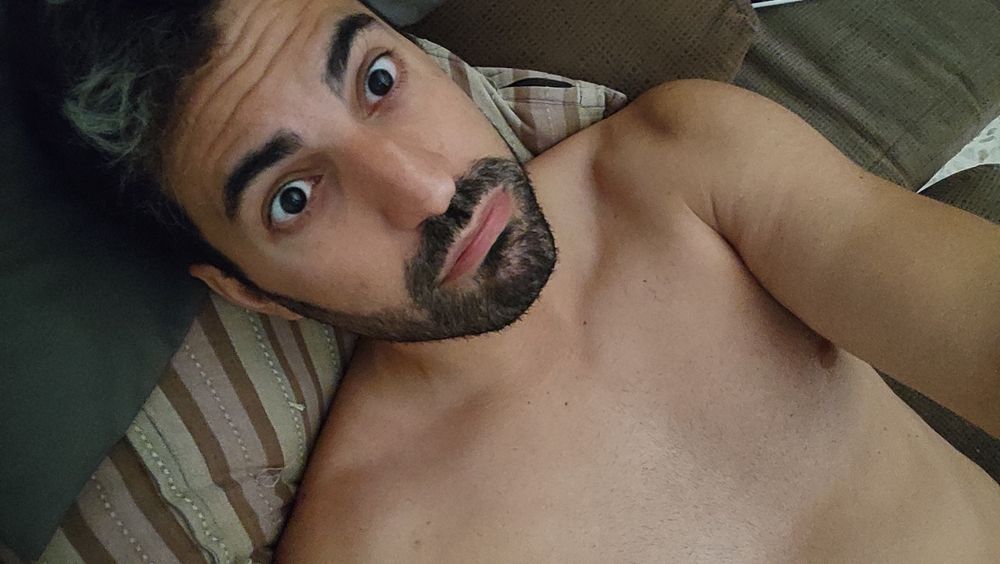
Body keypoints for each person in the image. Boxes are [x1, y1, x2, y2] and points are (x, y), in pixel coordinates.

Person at [45, 0, 1000, 560]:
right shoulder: (376, 544)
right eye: (293, 197)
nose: (429, 190)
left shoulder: (685, 166)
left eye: (377, 82)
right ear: (249, 291)